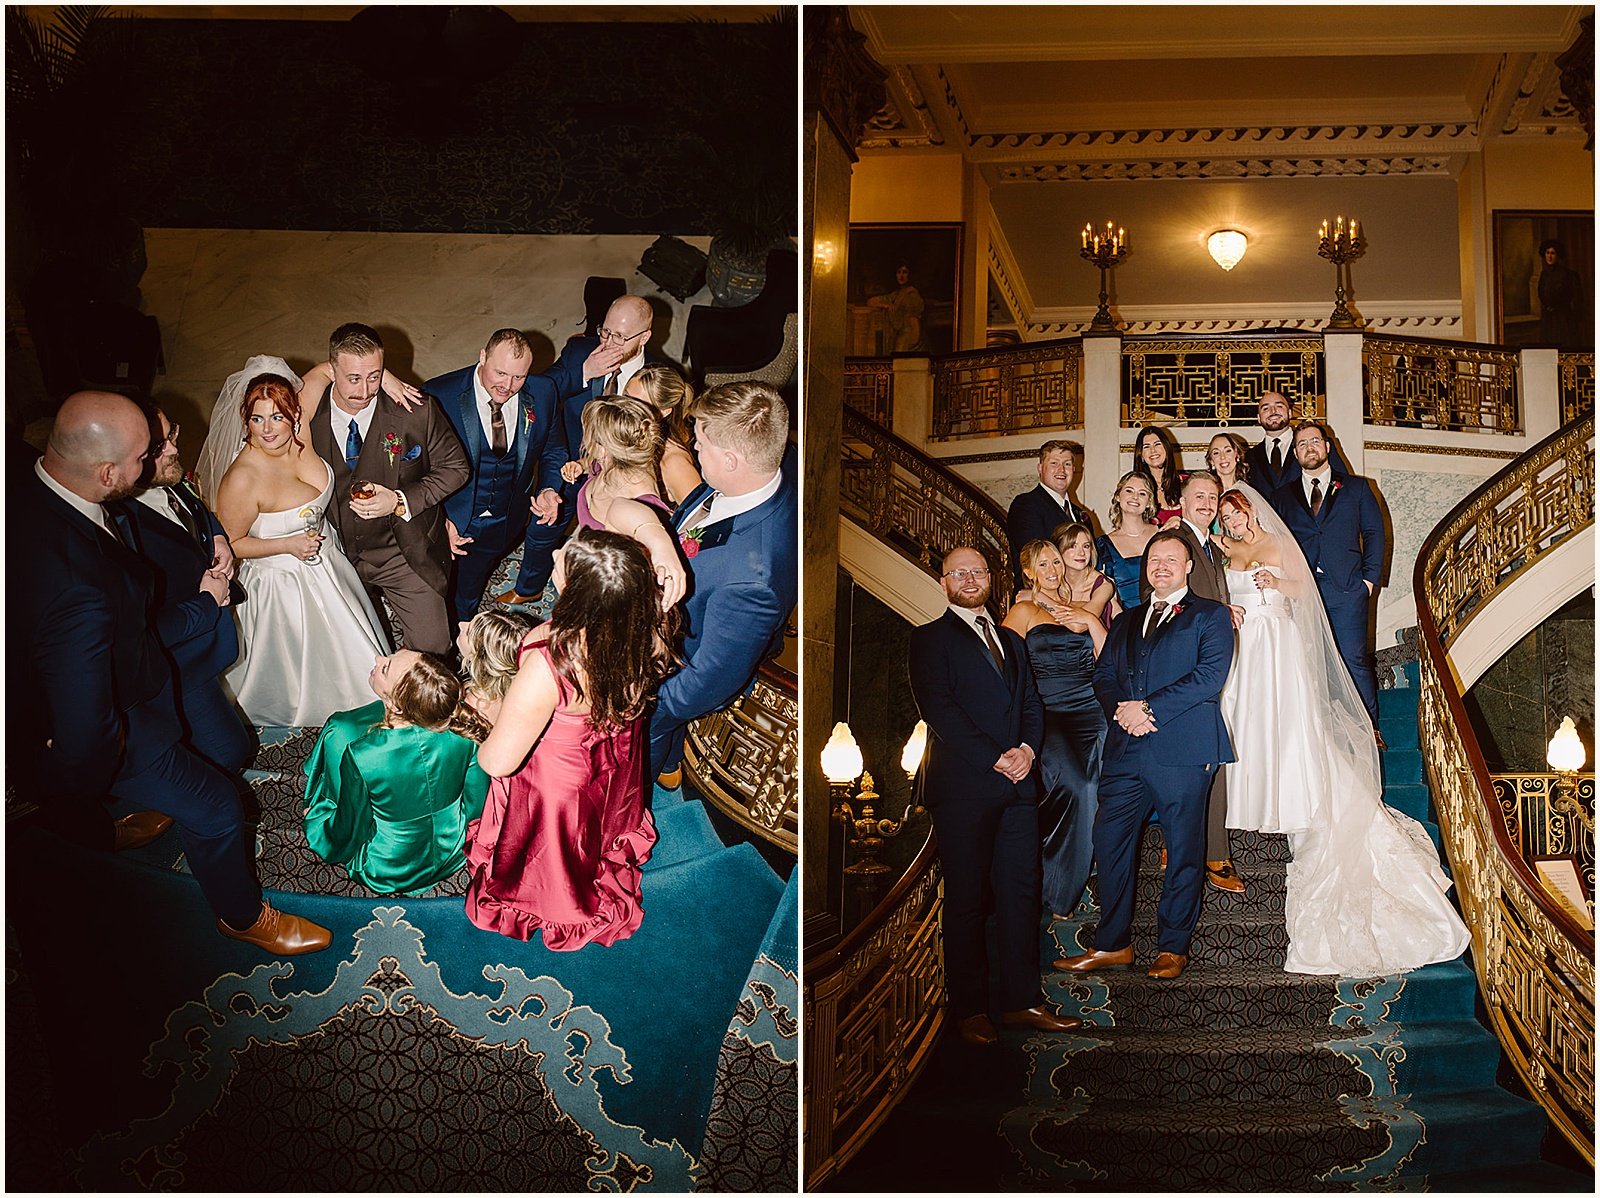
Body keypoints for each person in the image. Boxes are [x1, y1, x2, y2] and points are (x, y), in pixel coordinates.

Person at [13, 390, 329, 954]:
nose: (162, 460)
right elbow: (87, 731)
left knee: (227, 748)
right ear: (110, 472)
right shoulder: (78, 587)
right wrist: (85, 788)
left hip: (127, 676)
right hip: (124, 717)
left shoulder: (43, 483)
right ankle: (240, 915)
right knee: (219, 807)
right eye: (145, 456)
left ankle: (115, 820)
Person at [1214, 487, 1469, 975]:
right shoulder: (1225, 549)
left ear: (1250, 510)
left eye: (1236, 512)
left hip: (1277, 644)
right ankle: (1248, 795)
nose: (1231, 520)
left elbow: (1304, 589)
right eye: (1225, 515)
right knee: (1244, 721)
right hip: (1243, 645)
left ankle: (1291, 791)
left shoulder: (1273, 540)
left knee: (1287, 725)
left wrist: (1276, 580)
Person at [464, 531, 673, 949]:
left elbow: (497, 762)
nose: (556, 552)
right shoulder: (647, 625)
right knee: (597, 820)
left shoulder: (549, 657)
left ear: (578, 593)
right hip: (613, 749)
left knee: (556, 851)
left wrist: (490, 716)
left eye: (565, 561)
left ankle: (556, 905)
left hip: (555, 779)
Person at [909, 546, 1083, 1045]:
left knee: (1021, 895)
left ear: (992, 577)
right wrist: (997, 757)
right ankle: (970, 1009)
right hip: (964, 788)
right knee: (966, 900)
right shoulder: (929, 639)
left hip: (1019, 787)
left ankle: (1023, 1001)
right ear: (944, 582)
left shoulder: (1012, 638)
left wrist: (1028, 749)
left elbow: (1032, 701)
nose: (968, 578)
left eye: (977, 570)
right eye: (958, 572)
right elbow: (938, 709)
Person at [1057, 531, 1235, 982]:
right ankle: (1112, 944)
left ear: (1188, 565)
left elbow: (1209, 677)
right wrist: (1124, 711)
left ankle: (1172, 946)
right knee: (1109, 843)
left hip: (1183, 750)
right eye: (1154, 559)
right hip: (1125, 750)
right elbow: (1103, 676)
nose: (1161, 566)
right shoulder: (1125, 619)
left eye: (1171, 559)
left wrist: (1150, 709)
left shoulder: (1212, 616)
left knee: (1183, 850)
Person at [215, 368, 391, 728]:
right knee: (300, 659)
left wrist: (387, 380)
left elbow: (332, 368)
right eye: (257, 418)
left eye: (277, 416)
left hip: (328, 561)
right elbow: (232, 545)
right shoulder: (242, 479)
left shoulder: (302, 431)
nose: (267, 429)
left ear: (294, 413)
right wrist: (288, 544)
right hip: (282, 582)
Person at [649, 380, 798, 779]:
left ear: (731, 460)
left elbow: (708, 680)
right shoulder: (774, 461)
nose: (693, 450)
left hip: (675, 667)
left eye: (699, 444)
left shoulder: (753, 583)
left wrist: (648, 708)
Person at [308, 323, 471, 655]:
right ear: (331, 370)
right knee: (344, 651)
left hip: (402, 551)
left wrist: (399, 501)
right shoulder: (306, 414)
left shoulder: (415, 411)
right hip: (334, 552)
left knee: (434, 647)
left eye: (374, 376)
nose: (366, 390)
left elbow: (457, 468)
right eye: (353, 378)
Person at [496, 295, 660, 606]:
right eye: (605, 331)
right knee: (543, 527)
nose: (609, 343)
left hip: (618, 480)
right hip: (570, 462)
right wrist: (584, 371)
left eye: (621, 337)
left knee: (605, 546)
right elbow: (538, 390)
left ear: (645, 337)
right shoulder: (580, 352)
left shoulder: (657, 375)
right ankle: (529, 587)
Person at [118, 403, 254, 774]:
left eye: (171, 434)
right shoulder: (118, 527)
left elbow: (198, 510)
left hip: (203, 652)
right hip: (173, 667)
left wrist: (218, 537)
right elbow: (140, 629)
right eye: (160, 447)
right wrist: (207, 601)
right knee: (227, 754)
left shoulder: (168, 477)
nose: (175, 449)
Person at [304, 649, 489, 895]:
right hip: (451, 851)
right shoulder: (465, 732)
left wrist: (322, 830)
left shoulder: (363, 754)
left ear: (394, 705)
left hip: (389, 865)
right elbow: (476, 802)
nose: (378, 659)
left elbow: (352, 825)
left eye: (385, 668)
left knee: (340, 729)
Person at [1139, 471, 1246, 895]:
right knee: (1186, 758)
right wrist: (1218, 613)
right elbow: (1162, 595)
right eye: (1198, 495)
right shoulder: (1174, 540)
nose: (1206, 502)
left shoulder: (1211, 544)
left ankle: (1210, 848)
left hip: (1209, 659)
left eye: (1212, 496)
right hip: (1182, 662)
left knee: (1208, 753)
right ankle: (1188, 847)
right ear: (1180, 500)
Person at [427, 329, 568, 623]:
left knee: (471, 587)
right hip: (451, 521)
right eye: (501, 373)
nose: (507, 386)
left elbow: (554, 450)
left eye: (519, 377)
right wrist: (438, 519)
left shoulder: (543, 392)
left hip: (506, 519)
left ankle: (463, 628)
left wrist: (548, 488)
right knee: (436, 590)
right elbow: (416, 470)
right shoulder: (438, 395)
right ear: (482, 357)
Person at [1002, 540, 1107, 922]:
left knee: (1102, 788)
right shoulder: (1023, 610)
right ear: (1028, 571)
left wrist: (1092, 620)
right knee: (1078, 787)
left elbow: (1105, 658)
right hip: (1052, 714)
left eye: (1056, 562)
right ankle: (1057, 887)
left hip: (1093, 709)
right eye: (1042, 564)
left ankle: (1091, 871)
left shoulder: (1079, 609)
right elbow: (1003, 665)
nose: (1052, 570)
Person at [1272, 420, 1386, 733]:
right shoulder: (1283, 496)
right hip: (1301, 589)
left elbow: (1374, 533)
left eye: (1314, 441)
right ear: (1295, 453)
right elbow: (1276, 541)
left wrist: (1368, 581)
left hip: (1347, 589)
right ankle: (1320, 731)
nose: (1309, 447)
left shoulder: (1357, 487)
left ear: (1327, 447)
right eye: (1302, 444)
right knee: (1310, 662)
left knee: (1353, 658)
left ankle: (1368, 730)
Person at [563, 395, 688, 607]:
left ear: (603, 449)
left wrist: (661, 546)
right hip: (584, 562)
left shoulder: (645, 504)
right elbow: (593, 463)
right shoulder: (607, 464)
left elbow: (643, 524)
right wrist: (581, 465)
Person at [1007, 439, 1090, 588]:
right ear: (1040, 468)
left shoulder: (1080, 515)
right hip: (1038, 599)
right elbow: (1034, 557)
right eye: (1054, 463)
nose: (1061, 470)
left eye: (1067, 464)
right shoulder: (1026, 505)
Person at [624, 363, 703, 506]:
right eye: (625, 397)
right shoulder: (629, 434)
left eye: (638, 404)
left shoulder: (673, 461)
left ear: (664, 412)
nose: (624, 407)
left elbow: (698, 521)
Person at [1242, 391, 1347, 495]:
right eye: (1265, 408)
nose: (1273, 411)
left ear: (1290, 413)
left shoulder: (1319, 445)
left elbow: (1341, 483)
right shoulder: (1249, 457)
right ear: (1259, 418)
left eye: (1279, 406)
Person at [458, 608, 534, 727]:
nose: (461, 624)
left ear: (480, 657)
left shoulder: (473, 706)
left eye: (467, 632)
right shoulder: (529, 687)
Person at [1095, 471, 1158, 611]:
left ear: (1149, 502)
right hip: (1128, 620)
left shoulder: (1163, 534)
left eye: (1142, 493)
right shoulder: (1103, 545)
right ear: (1118, 496)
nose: (1135, 497)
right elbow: (1107, 596)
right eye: (1129, 491)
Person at [1537, 238, 1585, 349]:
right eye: (1547, 253)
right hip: (1548, 319)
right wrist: (1547, 306)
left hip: (1563, 319)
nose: (1549, 256)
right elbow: (1540, 293)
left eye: (1553, 253)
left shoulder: (1568, 274)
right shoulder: (1544, 274)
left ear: (1558, 255)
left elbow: (1577, 299)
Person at [868, 263, 925, 353]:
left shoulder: (912, 294)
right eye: (898, 272)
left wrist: (913, 343)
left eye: (904, 272)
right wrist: (886, 305)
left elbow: (914, 321)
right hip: (899, 335)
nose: (901, 276)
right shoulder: (895, 294)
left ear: (909, 275)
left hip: (911, 335)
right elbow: (871, 301)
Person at [1133, 424, 1184, 523]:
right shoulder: (1136, 489)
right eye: (1146, 447)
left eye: (1157, 444)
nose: (1153, 450)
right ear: (1141, 455)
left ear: (1166, 448)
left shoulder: (1188, 483)